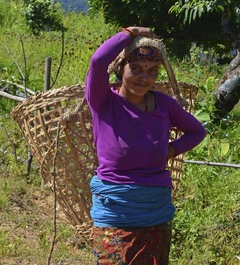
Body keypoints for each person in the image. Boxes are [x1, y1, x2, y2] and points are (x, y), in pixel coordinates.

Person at [85, 26, 207, 265]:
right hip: (115, 212)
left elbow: (197, 131)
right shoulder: (103, 101)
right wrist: (130, 32)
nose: (144, 78)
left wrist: (170, 150)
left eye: (152, 71)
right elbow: (98, 61)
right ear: (121, 69)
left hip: (154, 212)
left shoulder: (164, 104)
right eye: (137, 69)